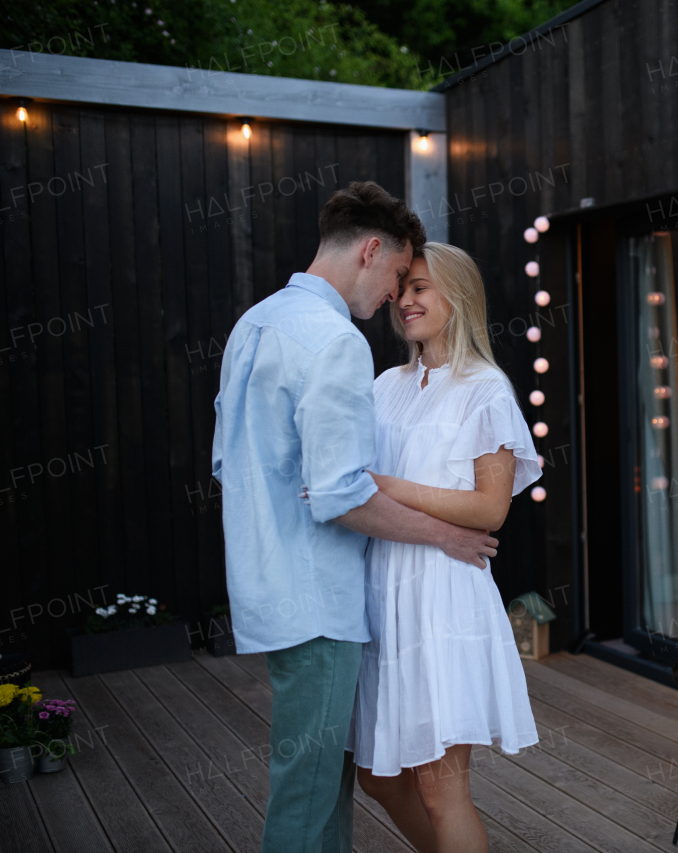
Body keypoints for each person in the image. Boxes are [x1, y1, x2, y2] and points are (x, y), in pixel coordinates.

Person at [212, 182, 499, 853]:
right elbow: (341, 494)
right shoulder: (336, 342)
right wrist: (446, 535)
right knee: (309, 796)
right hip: (319, 601)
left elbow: (229, 464)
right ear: (372, 250)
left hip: (265, 588)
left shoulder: (254, 324)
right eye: (400, 274)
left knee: (315, 781)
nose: (396, 298)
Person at [342, 242, 541, 853]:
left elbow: (490, 508)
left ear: (459, 295)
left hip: (442, 597)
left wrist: (388, 485)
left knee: (440, 789)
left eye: (421, 287)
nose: (405, 300)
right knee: (377, 776)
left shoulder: (486, 389)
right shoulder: (385, 386)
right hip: (379, 594)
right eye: (402, 287)